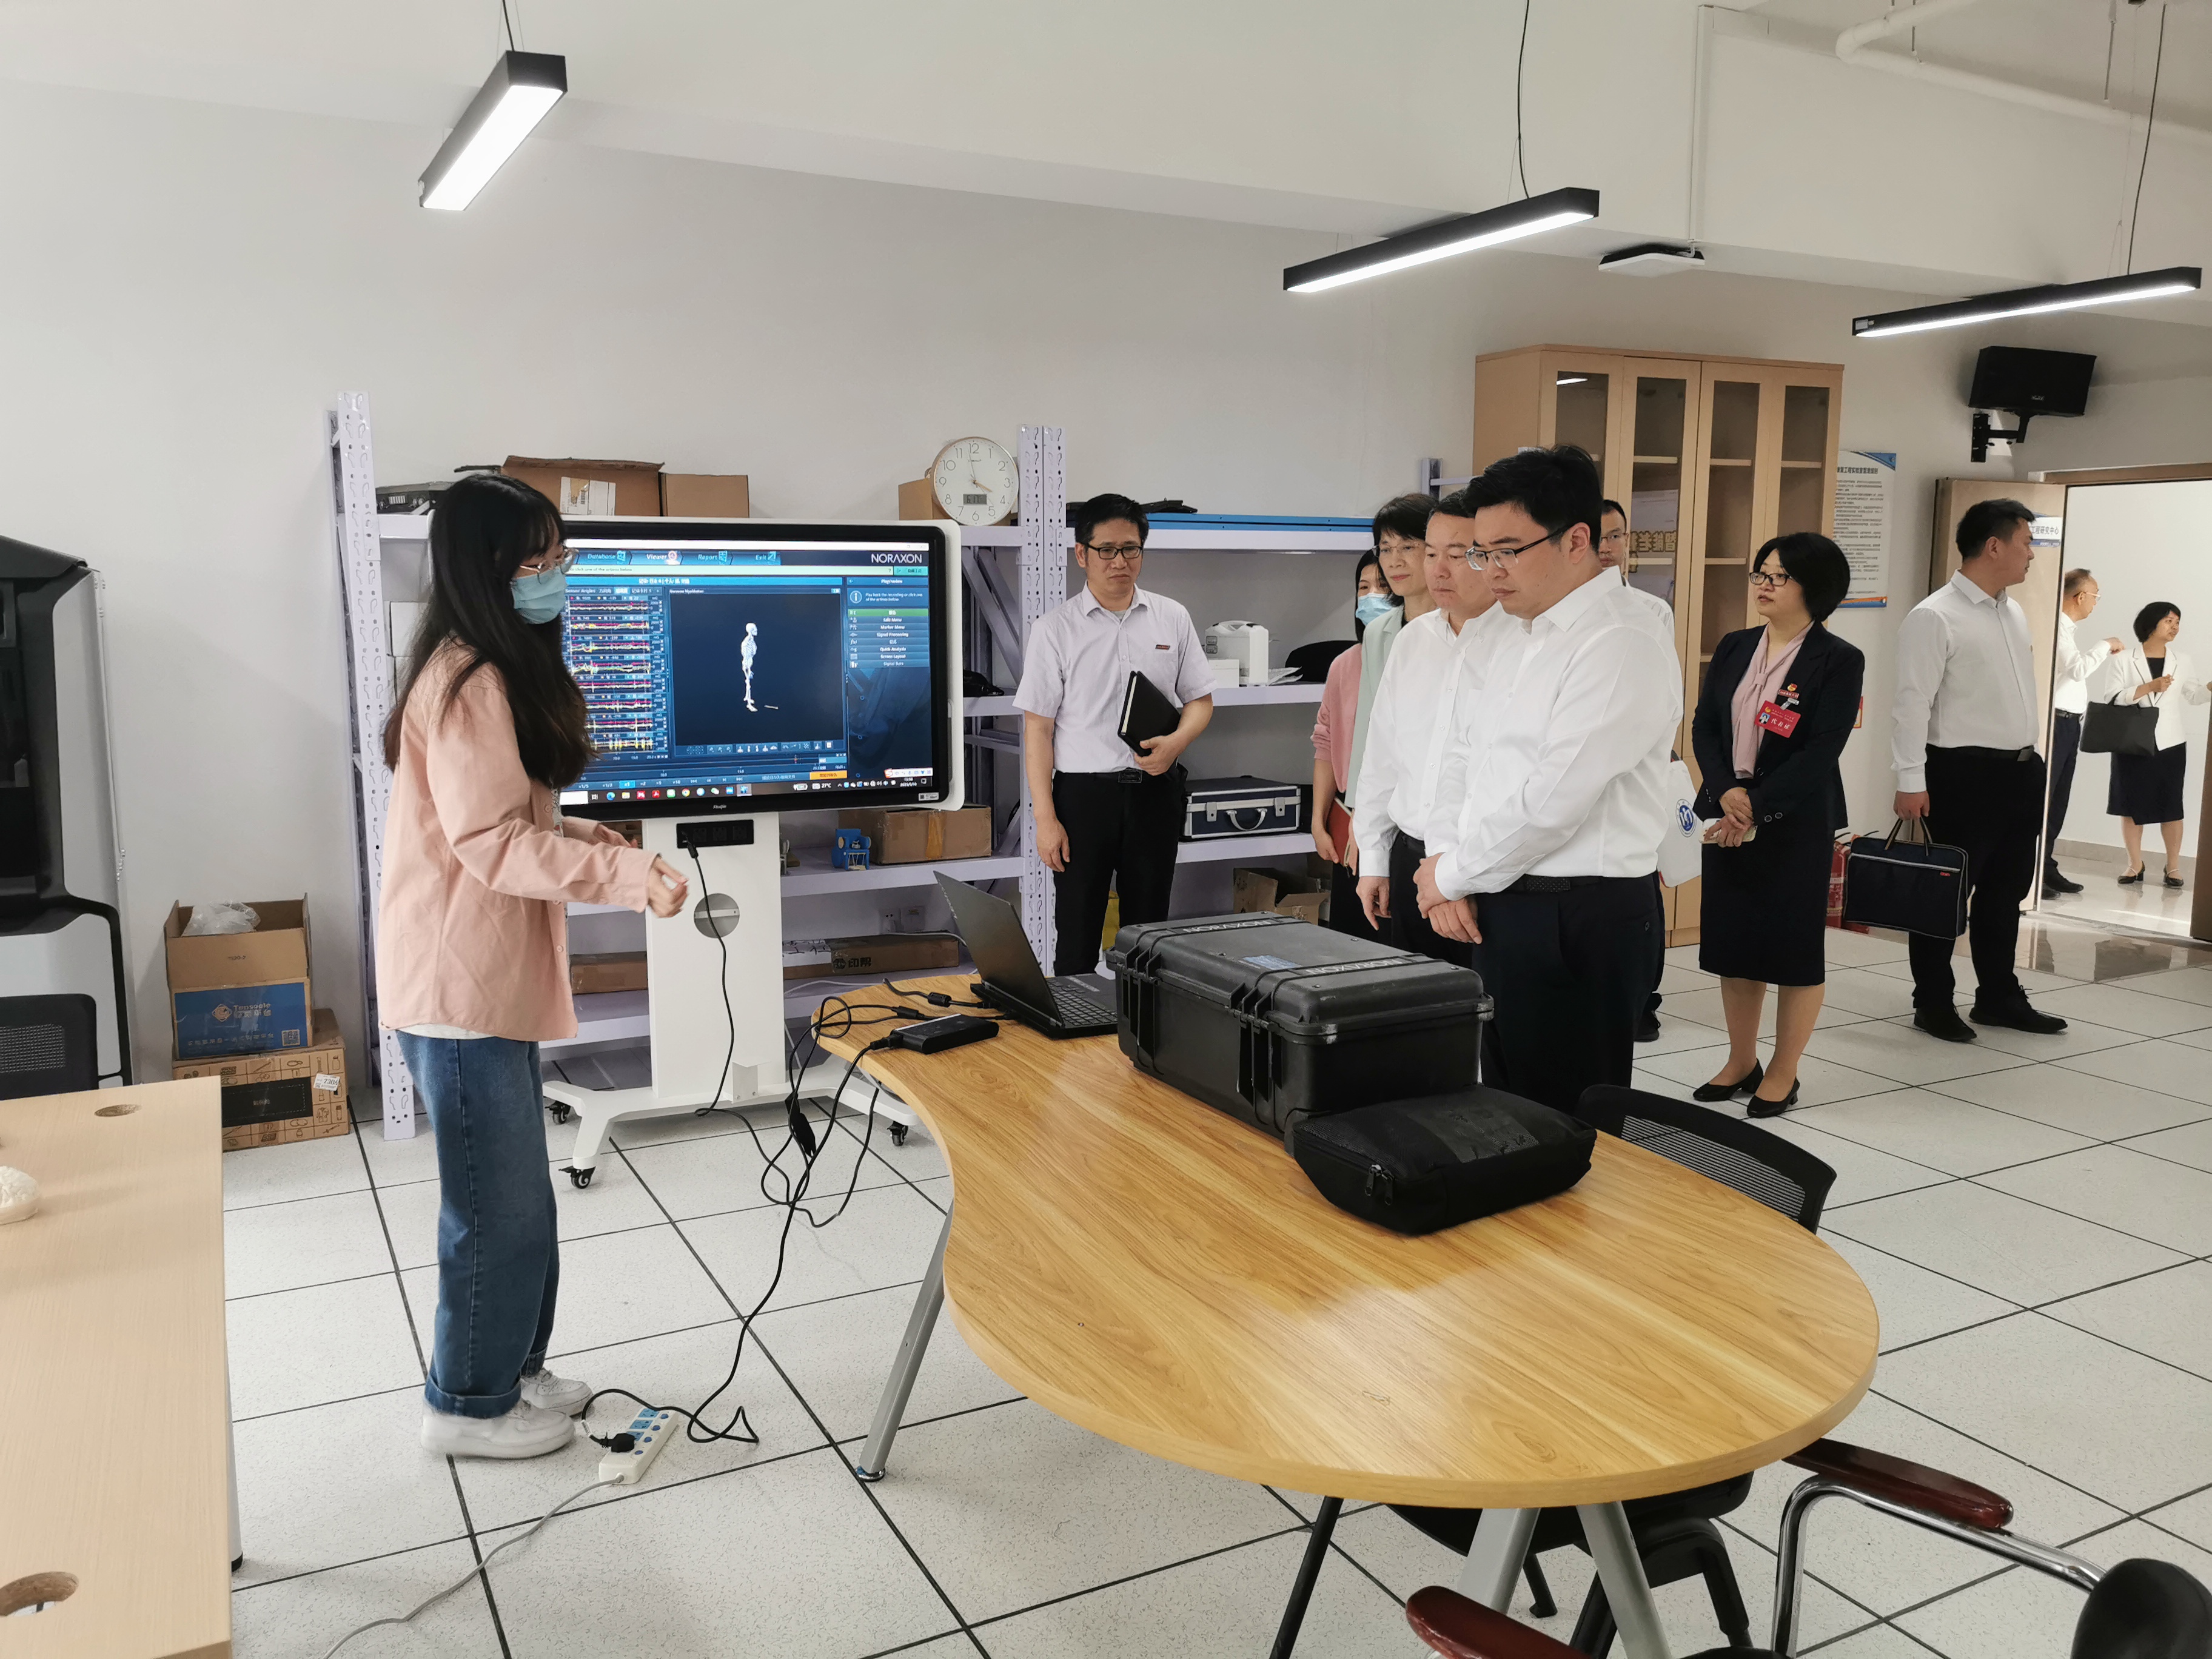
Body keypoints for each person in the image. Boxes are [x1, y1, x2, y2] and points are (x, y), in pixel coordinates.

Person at [378, 473, 691, 1459]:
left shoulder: (487, 665)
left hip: (488, 978)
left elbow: (509, 816)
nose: (556, 574)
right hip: (457, 986)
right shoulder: (466, 681)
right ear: (487, 570)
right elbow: (489, 845)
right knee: (494, 1208)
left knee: (523, 1199)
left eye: (560, 556)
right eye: (537, 560)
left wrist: (593, 838)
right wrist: (623, 875)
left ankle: (515, 1367)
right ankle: (467, 1406)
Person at [1412, 447, 1681, 1115]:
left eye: (1508, 551)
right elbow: (1460, 757)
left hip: (1578, 913)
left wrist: (1450, 876)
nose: (1491, 571)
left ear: (1577, 540)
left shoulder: (1621, 640)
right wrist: (1444, 860)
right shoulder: (1506, 631)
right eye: (1482, 553)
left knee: (1569, 1119)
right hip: (1498, 896)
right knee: (1505, 1104)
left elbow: (1553, 803)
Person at [1689, 534, 1864, 1118]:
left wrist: (1756, 806)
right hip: (1728, 811)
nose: (1763, 585)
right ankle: (1742, 1060)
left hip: (1794, 820)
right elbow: (1705, 727)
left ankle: (1784, 1071)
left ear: (1815, 587)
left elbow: (1821, 751)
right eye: (1760, 573)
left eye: (1778, 576)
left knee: (1792, 949)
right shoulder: (1736, 645)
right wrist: (1727, 792)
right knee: (1735, 943)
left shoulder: (1838, 659)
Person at [1016, 494, 1216, 973]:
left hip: (1154, 792)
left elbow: (1201, 701)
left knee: (1150, 938)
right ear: (1081, 554)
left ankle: (1141, 1023)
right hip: (1083, 800)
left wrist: (1177, 743)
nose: (1119, 561)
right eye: (1106, 550)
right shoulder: (1055, 630)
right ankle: (1074, 1021)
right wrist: (1046, 819)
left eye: (1130, 549)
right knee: (1077, 934)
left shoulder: (1172, 617)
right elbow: (1038, 729)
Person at [1892, 498, 2066, 1041]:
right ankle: (1932, 1001)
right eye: (2026, 543)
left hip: (2019, 773)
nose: (2031, 554)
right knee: (1944, 894)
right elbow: (1911, 704)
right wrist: (1910, 780)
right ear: (1994, 546)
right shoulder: (1934, 615)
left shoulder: (2012, 612)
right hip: (1960, 774)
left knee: (2005, 892)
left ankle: (1998, 996)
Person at [1353, 492, 1511, 966]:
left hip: (1485, 869)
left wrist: (1452, 878)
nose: (1438, 570)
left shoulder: (1521, 643)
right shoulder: (1412, 641)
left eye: (1458, 555)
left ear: (1491, 558)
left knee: (1486, 1005)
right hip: (1409, 859)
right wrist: (1374, 859)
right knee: (1415, 1004)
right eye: (1431, 554)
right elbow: (1383, 758)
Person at [1601, 497, 1680, 1042]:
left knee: (1647, 885)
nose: (1609, 548)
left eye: (1617, 536)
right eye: (1599, 537)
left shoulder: (1653, 611)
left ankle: (1646, 1000)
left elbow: (1667, 695)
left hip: (1641, 767)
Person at [1312, 549, 1397, 940]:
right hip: (1347, 825)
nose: (1373, 595)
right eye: (1364, 588)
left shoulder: (1414, 655)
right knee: (1350, 944)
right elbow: (1325, 744)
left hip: (1395, 823)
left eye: (1383, 585)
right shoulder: (1345, 664)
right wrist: (1319, 820)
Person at [2103, 602, 2211, 888]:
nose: (2175, 627)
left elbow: (2194, 696)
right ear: (2151, 623)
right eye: (2169, 621)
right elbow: (2112, 698)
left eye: (2178, 622)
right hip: (2131, 741)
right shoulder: (2123, 659)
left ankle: (2173, 867)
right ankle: (2134, 864)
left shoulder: (2182, 660)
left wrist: (2209, 688)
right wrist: (2149, 687)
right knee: (2130, 804)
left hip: (2170, 742)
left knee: (2171, 805)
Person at [1344, 494, 1437, 799]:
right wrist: (1358, 805)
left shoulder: (1462, 624)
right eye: (1385, 549)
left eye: (1408, 547)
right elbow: (1369, 726)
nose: (1394, 561)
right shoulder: (1377, 632)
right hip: (1389, 794)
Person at [2045, 569, 2124, 896]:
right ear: (2080, 597)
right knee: (2047, 800)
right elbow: (2077, 670)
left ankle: (2045, 867)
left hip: (2070, 724)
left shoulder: (2068, 629)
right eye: (2096, 596)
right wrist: (2105, 645)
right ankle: (2033, 872)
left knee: (2059, 801)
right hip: (2056, 723)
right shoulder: (2056, 627)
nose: (2096, 603)